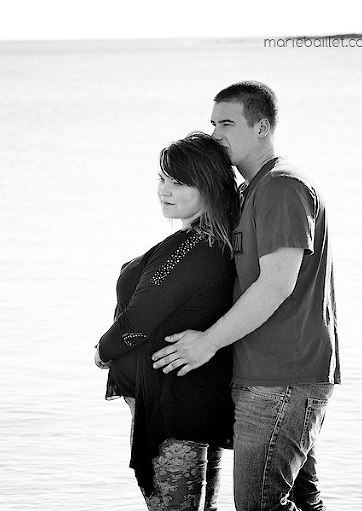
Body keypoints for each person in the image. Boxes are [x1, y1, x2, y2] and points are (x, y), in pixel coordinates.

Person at [151, 81, 341, 511]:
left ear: (262, 127)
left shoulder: (281, 186)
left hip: (282, 378)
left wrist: (206, 344)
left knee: (259, 505)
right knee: (301, 503)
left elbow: (277, 285)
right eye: (213, 123)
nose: (217, 135)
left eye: (228, 123)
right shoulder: (250, 191)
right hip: (264, 375)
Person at [94, 131, 241, 510]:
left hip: (174, 411)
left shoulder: (194, 245)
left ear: (208, 186)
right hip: (189, 403)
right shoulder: (209, 241)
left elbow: (138, 322)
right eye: (162, 179)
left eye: (179, 182)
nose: (165, 190)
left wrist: (101, 352)